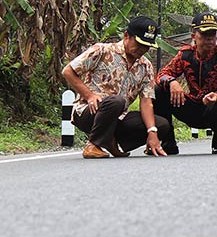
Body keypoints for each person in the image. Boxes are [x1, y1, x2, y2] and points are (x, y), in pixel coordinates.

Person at [62, 16, 171, 158]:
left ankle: (110, 141)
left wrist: (152, 132)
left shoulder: (146, 66)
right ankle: (93, 145)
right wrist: (89, 95)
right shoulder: (101, 51)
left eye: (147, 46)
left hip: (118, 117)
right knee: (116, 101)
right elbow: (68, 71)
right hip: (89, 112)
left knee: (161, 125)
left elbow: (146, 101)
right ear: (127, 36)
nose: (142, 49)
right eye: (139, 44)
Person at [154, 12, 217, 154]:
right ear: (194, 36)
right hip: (191, 107)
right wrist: (172, 82)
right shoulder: (185, 54)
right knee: (159, 90)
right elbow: (162, 75)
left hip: (214, 109)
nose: (210, 39)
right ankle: (168, 140)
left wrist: (216, 96)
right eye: (205, 34)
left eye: (213, 34)